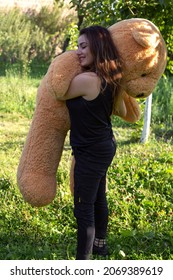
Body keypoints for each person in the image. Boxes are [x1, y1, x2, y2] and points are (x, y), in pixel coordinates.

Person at [57, 25, 122, 260]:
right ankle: (100, 246)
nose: (78, 52)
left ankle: (82, 265)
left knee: (83, 208)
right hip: (105, 145)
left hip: (91, 152)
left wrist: (63, 65)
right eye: (77, 46)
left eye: (83, 46)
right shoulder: (112, 78)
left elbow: (57, 91)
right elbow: (121, 107)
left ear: (97, 47)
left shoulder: (87, 80)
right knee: (98, 199)